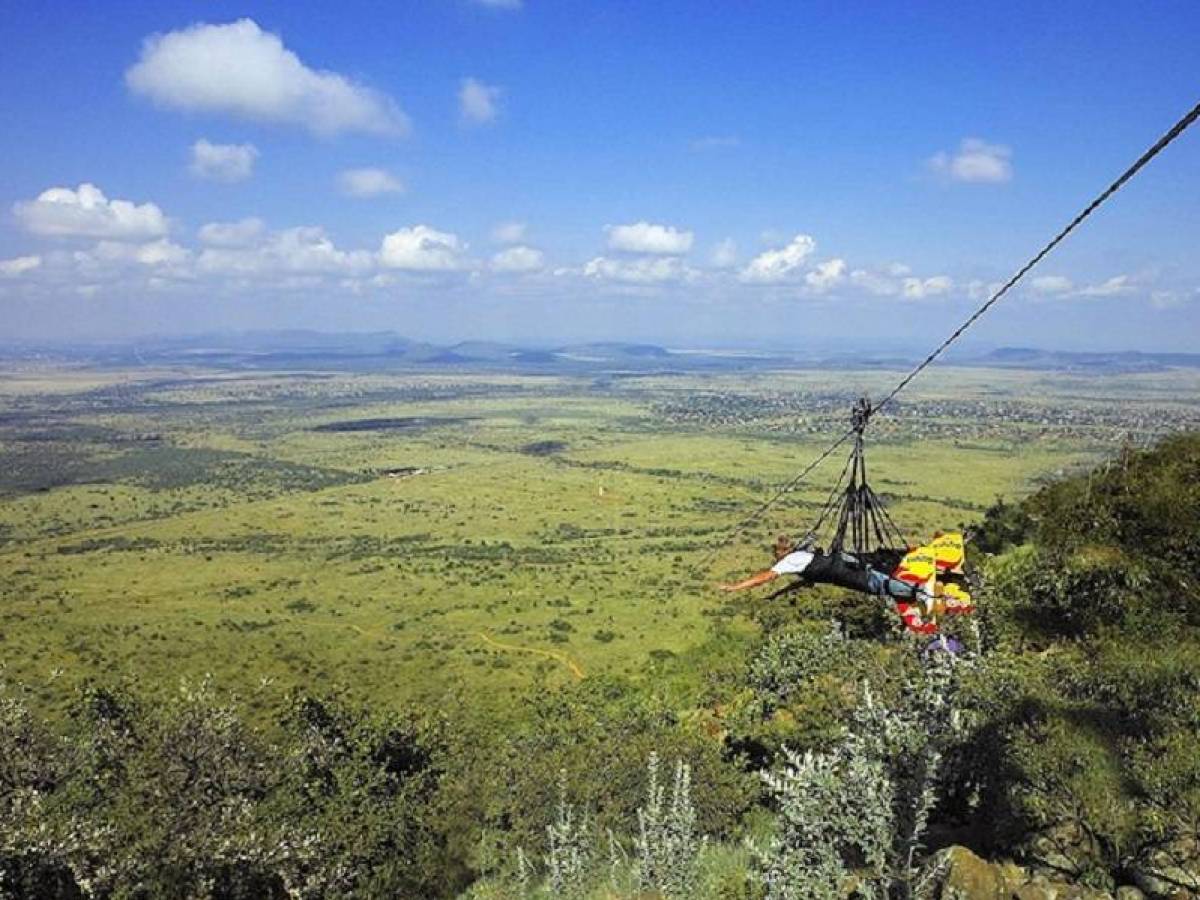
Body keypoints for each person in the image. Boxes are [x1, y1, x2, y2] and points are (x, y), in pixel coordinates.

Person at [718, 534, 931, 608]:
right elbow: (804, 582)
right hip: (843, 564)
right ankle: (920, 562)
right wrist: (778, 594)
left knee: (874, 583)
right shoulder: (800, 557)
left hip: (842, 571)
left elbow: (764, 577)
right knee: (878, 564)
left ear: (781, 553)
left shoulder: (789, 560)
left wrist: (735, 587)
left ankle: (921, 591)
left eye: (776, 555)